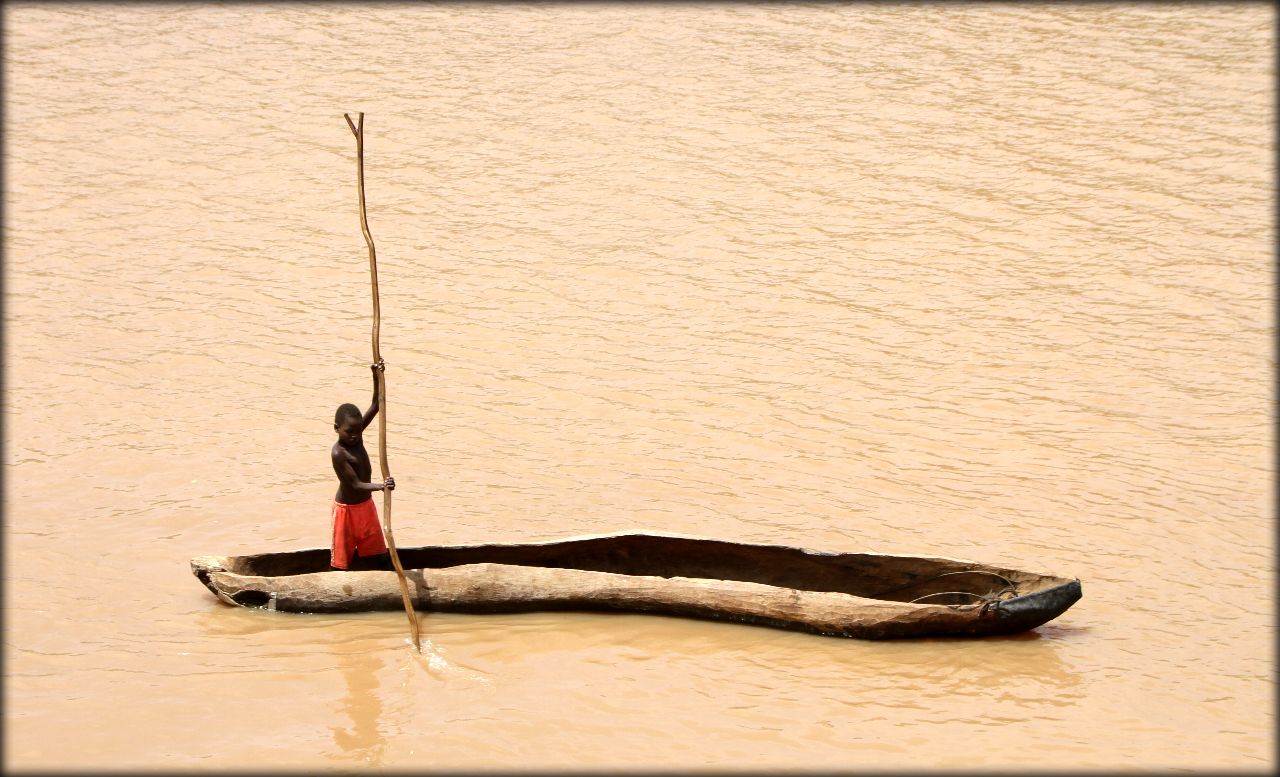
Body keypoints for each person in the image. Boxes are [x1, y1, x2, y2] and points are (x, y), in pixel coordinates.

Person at [330, 360, 396, 571]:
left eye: (358, 431)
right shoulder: (339, 453)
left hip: (365, 507)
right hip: (347, 512)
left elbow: (377, 404)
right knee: (341, 564)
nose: (354, 436)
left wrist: (376, 375)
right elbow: (356, 484)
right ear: (337, 429)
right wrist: (382, 486)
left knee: (380, 555)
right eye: (349, 432)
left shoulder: (356, 435)